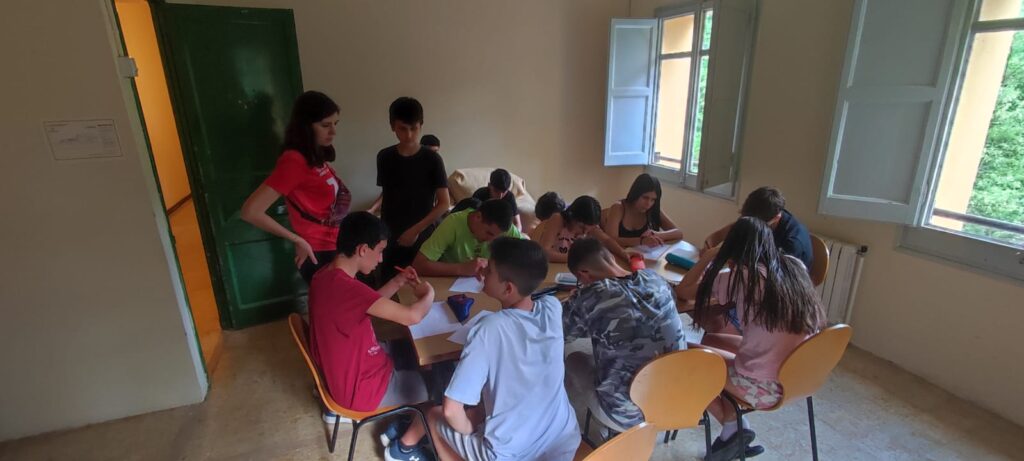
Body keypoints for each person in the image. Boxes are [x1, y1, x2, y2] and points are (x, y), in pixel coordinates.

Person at [415, 237, 581, 461]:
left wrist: (470, 430)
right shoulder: (552, 307)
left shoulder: (488, 329)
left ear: (508, 288)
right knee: (484, 407)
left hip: (508, 454)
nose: (483, 272)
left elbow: (451, 410)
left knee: (434, 415)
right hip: (562, 440)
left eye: (489, 270)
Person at [677, 217, 824, 461]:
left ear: (731, 251)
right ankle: (734, 430)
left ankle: (733, 425)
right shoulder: (795, 266)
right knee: (713, 341)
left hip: (766, 388)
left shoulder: (741, 278)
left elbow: (683, 291)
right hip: (800, 376)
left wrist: (709, 256)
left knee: (681, 357)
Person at [307, 212, 437, 461]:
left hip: (347, 369)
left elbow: (367, 303)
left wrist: (398, 281)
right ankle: (402, 450)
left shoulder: (325, 275)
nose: (381, 259)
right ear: (363, 249)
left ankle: (402, 423)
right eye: (379, 251)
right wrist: (428, 294)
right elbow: (412, 316)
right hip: (361, 389)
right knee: (439, 389)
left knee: (414, 352)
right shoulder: (348, 288)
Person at [562, 238, 685, 436]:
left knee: (573, 356)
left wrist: (575, 300)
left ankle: (611, 431)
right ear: (611, 257)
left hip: (628, 414)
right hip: (679, 400)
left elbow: (560, 332)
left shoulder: (591, 296)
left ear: (583, 273)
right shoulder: (654, 277)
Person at [241, 90, 351, 284]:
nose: (333, 132)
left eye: (335, 124)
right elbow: (250, 211)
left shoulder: (314, 155)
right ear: (306, 126)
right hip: (318, 252)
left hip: (333, 244)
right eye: (325, 125)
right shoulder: (294, 161)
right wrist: (297, 239)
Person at [368, 97, 450, 280]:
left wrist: (415, 230)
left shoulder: (432, 160)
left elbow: (444, 203)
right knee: (390, 281)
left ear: (421, 125)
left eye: (414, 128)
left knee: (421, 283)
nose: (409, 135)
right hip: (390, 232)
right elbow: (388, 192)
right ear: (392, 126)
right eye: (403, 129)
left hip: (422, 233)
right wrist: (373, 210)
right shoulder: (384, 156)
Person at [703, 186, 812, 269]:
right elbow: (723, 234)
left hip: (782, 284)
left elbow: (771, 276)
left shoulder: (792, 243)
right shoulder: (764, 214)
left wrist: (731, 260)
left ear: (776, 218)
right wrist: (709, 247)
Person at [412, 199, 524, 277]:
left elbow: (527, 258)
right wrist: (461, 268)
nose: (491, 241)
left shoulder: (504, 228)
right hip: (450, 285)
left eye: (497, 238)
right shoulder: (453, 223)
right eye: (489, 233)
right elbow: (419, 265)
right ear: (478, 217)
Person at [535, 195, 629, 264]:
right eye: (582, 227)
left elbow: (607, 240)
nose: (584, 233)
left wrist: (623, 253)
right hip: (553, 268)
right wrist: (579, 259)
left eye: (588, 230)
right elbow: (544, 253)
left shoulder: (589, 227)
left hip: (574, 269)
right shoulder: (558, 219)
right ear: (571, 216)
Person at [603, 174, 683, 248]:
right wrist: (641, 241)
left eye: (653, 200)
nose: (648, 204)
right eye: (645, 198)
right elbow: (610, 240)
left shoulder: (653, 209)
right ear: (636, 193)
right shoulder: (618, 208)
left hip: (646, 256)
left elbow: (678, 233)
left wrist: (656, 234)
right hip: (619, 255)